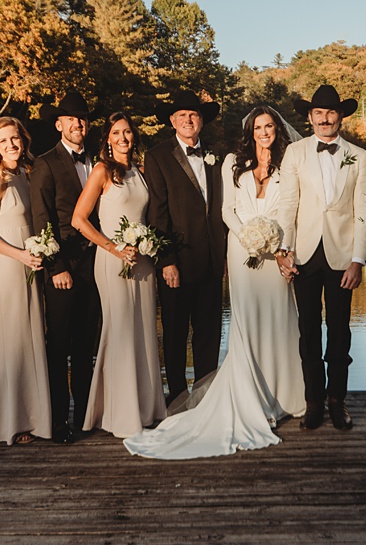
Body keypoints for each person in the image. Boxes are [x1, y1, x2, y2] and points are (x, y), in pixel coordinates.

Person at [124, 106, 305, 459]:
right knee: (196, 331)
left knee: (261, 326)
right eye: (258, 126)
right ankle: (177, 402)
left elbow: (291, 209)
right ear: (172, 121)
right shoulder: (219, 160)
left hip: (247, 257)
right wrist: (249, 238)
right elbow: (177, 211)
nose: (264, 131)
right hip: (232, 252)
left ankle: (280, 395)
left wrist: (280, 247)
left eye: (269, 126)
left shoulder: (278, 161)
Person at [277, 84, 366, 431]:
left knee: (340, 332)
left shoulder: (359, 156)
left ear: (340, 116)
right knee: (308, 332)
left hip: (342, 256)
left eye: (331, 112)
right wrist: (284, 250)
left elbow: (363, 211)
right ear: (310, 117)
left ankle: (337, 401)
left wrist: (359, 259)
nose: (325, 119)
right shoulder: (295, 152)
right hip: (303, 254)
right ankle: (313, 402)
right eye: (319, 113)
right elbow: (289, 204)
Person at [72, 112, 167, 438]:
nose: (123, 138)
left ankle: (146, 408)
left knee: (142, 331)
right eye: (117, 133)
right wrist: (114, 248)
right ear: (108, 140)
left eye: (128, 132)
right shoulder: (102, 171)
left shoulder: (140, 173)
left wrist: (148, 244)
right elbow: (79, 220)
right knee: (120, 330)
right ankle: (117, 414)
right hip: (113, 262)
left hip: (142, 262)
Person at [0, 117, 53, 445]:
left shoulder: (26, 172)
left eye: (15, 138)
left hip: (30, 261)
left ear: (24, 140)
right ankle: (9, 423)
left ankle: (29, 417)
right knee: (12, 339)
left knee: (30, 336)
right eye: (3, 140)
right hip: (7, 265)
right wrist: (18, 255)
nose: (11, 145)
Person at [144, 90, 227, 404]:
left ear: (201, 120)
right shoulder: (157, 156)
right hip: (177, 262)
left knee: (208, 335)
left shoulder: (216, 154)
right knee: (176, 335)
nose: (188, 120)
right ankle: (177, 397)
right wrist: (166, 260)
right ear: (171, 121)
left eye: (193, 115)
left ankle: (205, 397)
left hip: (211, 261)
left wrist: (225, 254)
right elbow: (157, 212)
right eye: (181, 116)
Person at [30, 91, 102, 444]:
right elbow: (40, 218)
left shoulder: (99, 162)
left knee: (87, 346)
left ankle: (85, 416)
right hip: (62, 268)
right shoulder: (45, 163)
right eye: (71, 119)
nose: (78, 124)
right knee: (58, 348)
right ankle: (58, 421)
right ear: (58, 125)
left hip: (96, 267)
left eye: (83, 118)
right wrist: (55, 266)